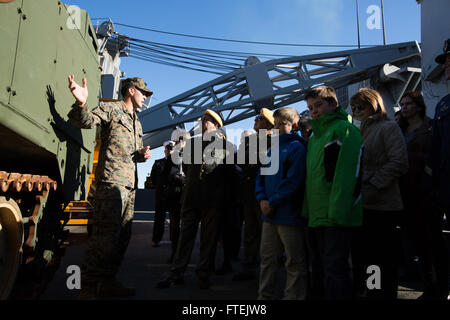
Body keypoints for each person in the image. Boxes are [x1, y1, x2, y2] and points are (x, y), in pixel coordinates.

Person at [67, 75, 152, 299]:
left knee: (122, 238)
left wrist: (142, 155)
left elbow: (132, 154)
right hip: (110, 184)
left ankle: (107, 282)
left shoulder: (137, 121)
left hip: (129, 187)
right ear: (131, 91)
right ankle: (84, 288)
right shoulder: (111, 110)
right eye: (143, 92)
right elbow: (85, 121)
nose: (146, 97)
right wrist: (81, 103)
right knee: (103, 239)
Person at [156, 109, 235, 289]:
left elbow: (211, 167)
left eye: (207, 120)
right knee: (185, 237)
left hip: (212, 199)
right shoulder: (193, 144)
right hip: (191, 197)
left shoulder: (225, 147)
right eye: (202, 120)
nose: (202, 122)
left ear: (216, 125)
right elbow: (188, 169)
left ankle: (203, 274)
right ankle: (177, 273)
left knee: (209, 239)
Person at [302, 86, 363, 300]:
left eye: (318, 105)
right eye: (310, 108)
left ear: (334, 104)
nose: (314, 111)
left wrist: (337, 212)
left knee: (335, 272)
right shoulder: (314, 138)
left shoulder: (344, 130)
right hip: (316, 216)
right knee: (318, 270)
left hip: (335, 216)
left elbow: (347, 176)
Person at [350, 88, 408, 300]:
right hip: (362, 206)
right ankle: (371, 293)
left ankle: (380, 296)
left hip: (383, 207)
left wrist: (373, 183)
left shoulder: (388, 128)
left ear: (373, 105)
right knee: (366, 259)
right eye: (354, 108)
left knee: (381, 261)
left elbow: (399, 162)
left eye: (361, 107)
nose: (356, 111)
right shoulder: (357, 132)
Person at [255, 107, 308, 300]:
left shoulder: (298, 148)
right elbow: (260, 177)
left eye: (281, 124)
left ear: (294, 126)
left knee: (294, 262)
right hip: (270, 213)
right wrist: (261, 198)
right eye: (275, 124)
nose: (276, 128)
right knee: (267, 260)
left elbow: (293, 181)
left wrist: (270, 202)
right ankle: (264, 298)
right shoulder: (272, 149)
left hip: (288, 215)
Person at [422, 38, 450, 300]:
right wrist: (430, 187)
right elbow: (435, 152)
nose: (448, 68)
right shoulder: (443, 105)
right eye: (447, 63)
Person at [233, 108, 274, 282]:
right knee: (250, 233)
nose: (255, 121)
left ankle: (267, 273)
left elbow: (267, 163)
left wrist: (253, 160)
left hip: (265, 193)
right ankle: (249, 268)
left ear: (267, 122)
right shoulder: (250, 141)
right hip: (249, 192)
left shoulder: (274, 140)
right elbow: (240, 161)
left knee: (267, 236)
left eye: (258, 118)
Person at [149, 141, 176, 248]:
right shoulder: (157, 163)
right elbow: (153, 179)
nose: (169, 151)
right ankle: (156, 240)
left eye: (171, 149)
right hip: (161, 194)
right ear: (164, 151)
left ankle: (174, 240)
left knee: (174, 220)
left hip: (173, 194)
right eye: (167, 149)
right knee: (159, 218)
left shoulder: (178, 163)